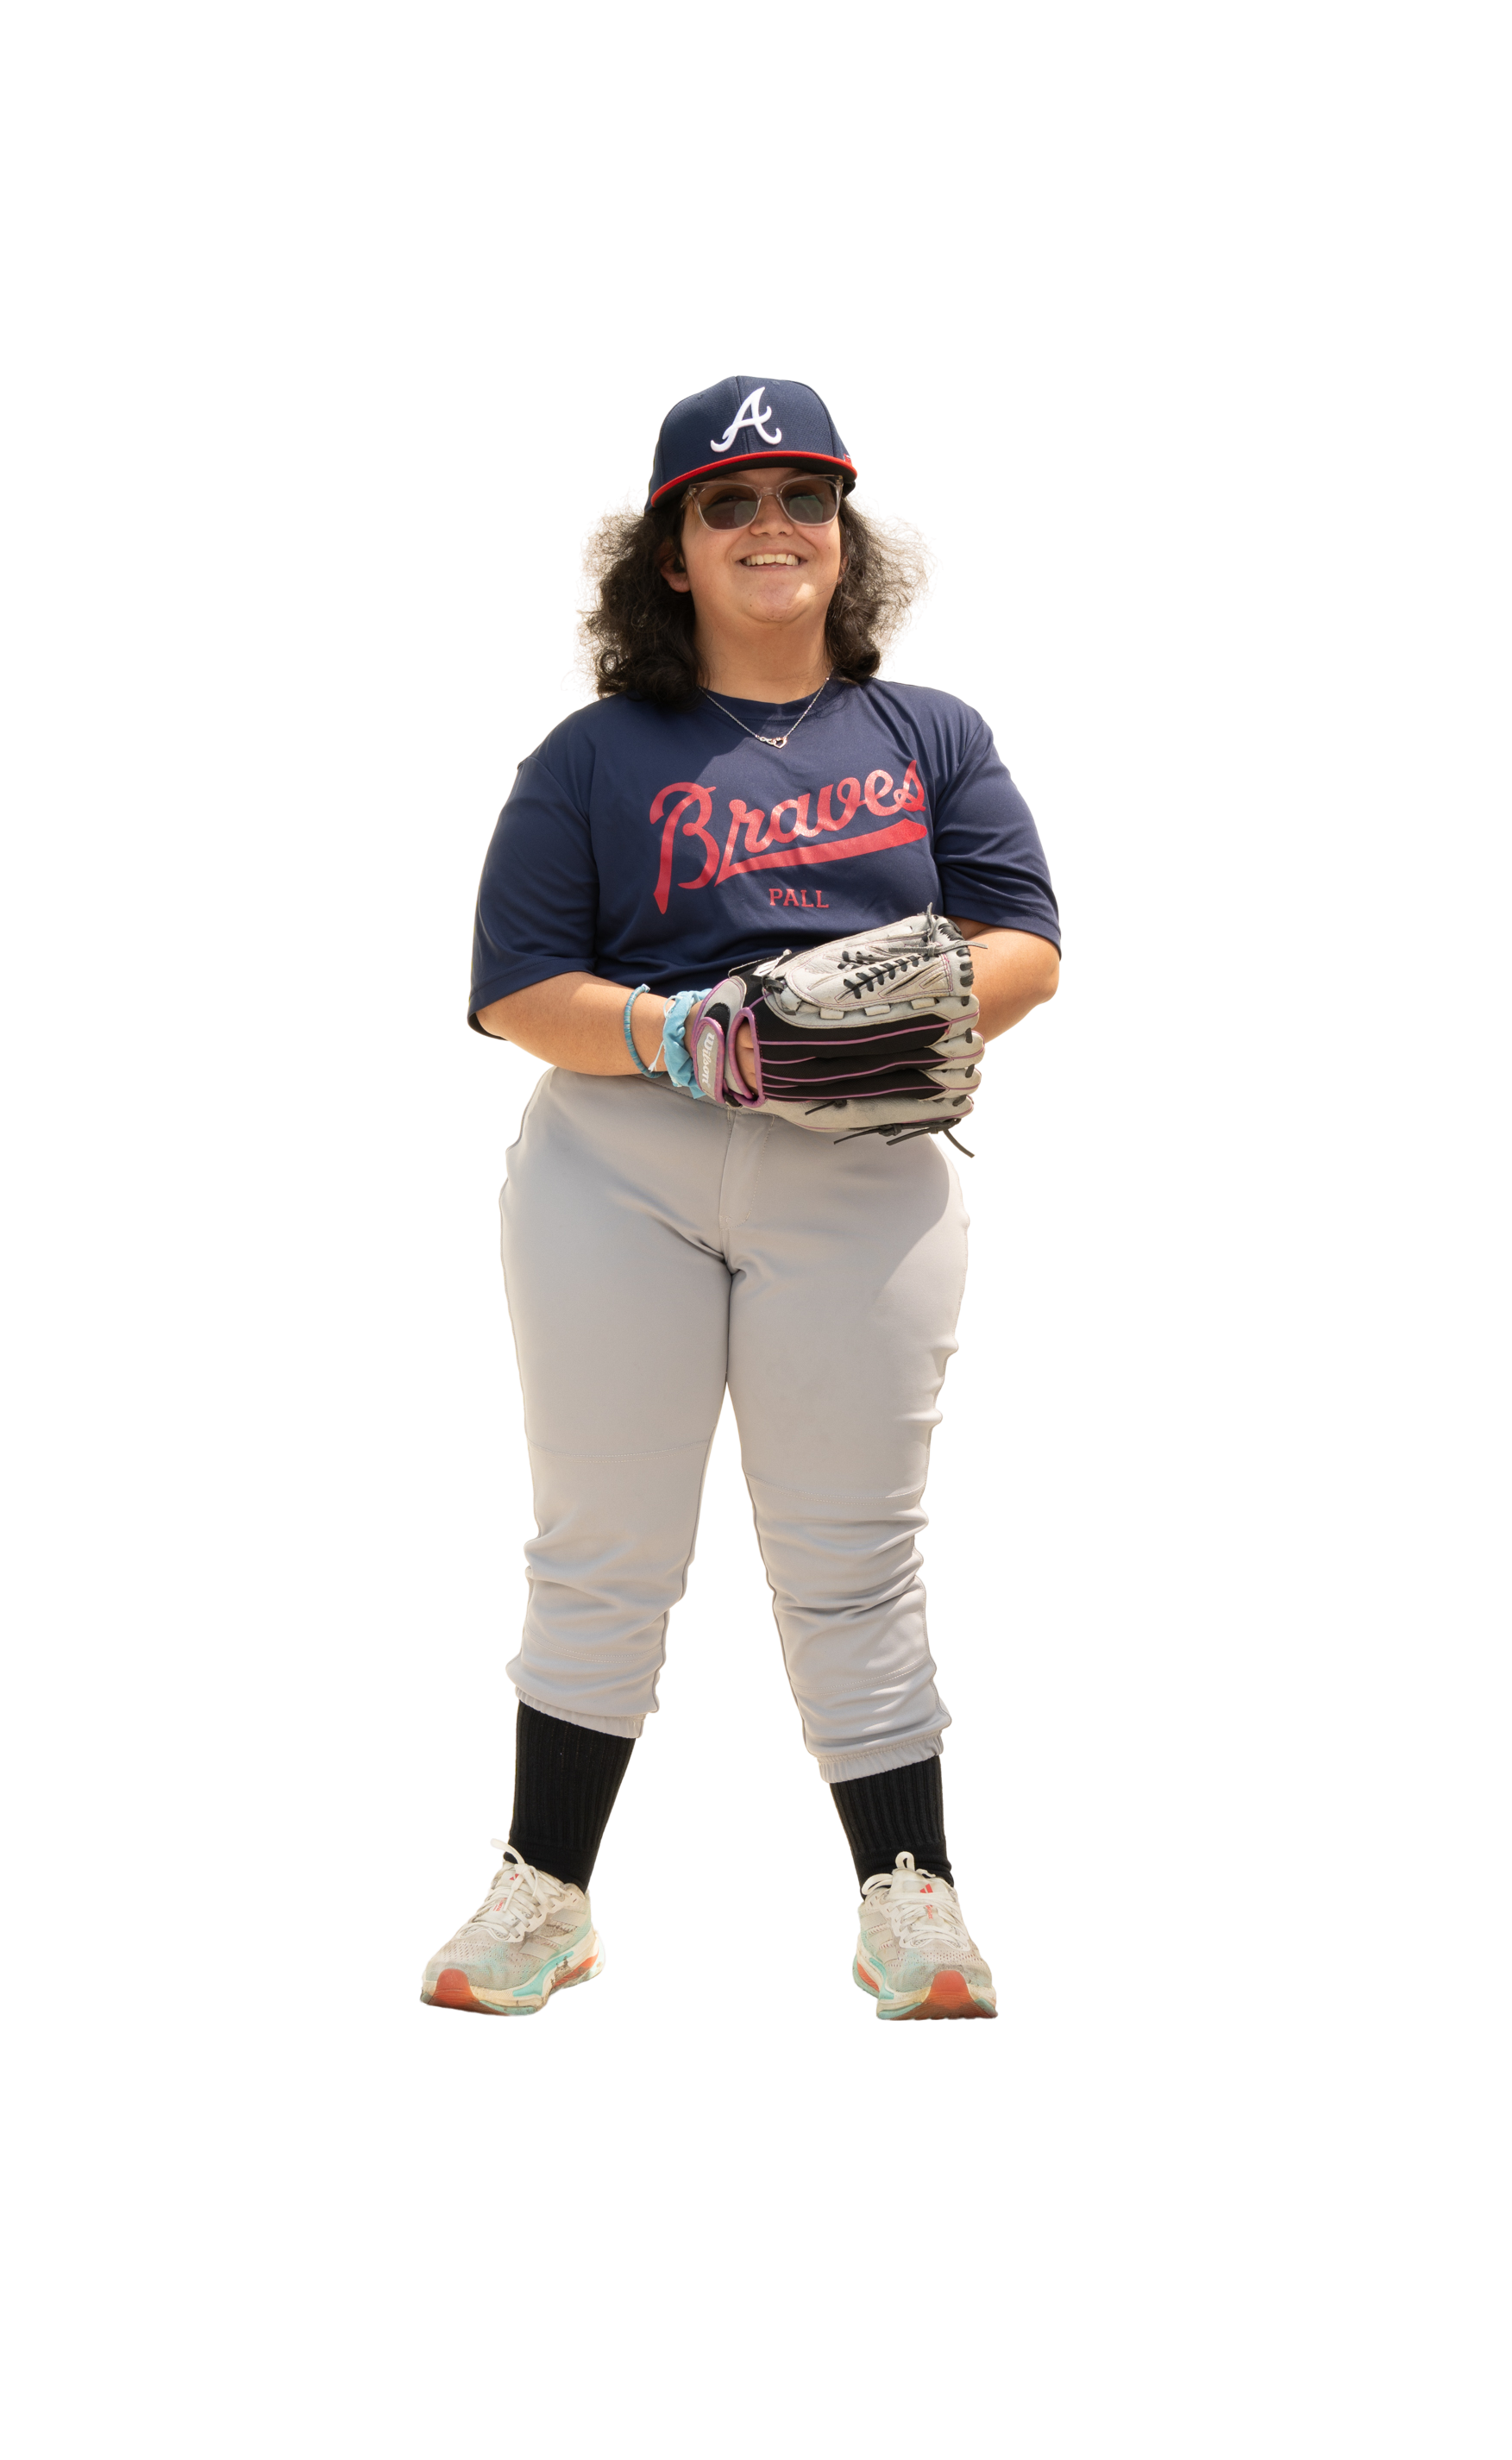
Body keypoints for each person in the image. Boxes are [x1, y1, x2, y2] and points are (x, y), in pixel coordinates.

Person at [421, 376, 1061, 2022]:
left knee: (854, 1544)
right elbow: (516, 989)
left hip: (862, 1166)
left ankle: (909, 1893)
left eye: (803, 495)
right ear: (670, 554)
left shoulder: (933, 734)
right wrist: (683, 1032)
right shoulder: (590, 754)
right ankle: (546, 1893)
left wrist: (897, 1017)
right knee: (605, 1540)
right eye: (727, 502)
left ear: (850, 535)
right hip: (617, 1157)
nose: (772, 523)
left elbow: (1026, 945)